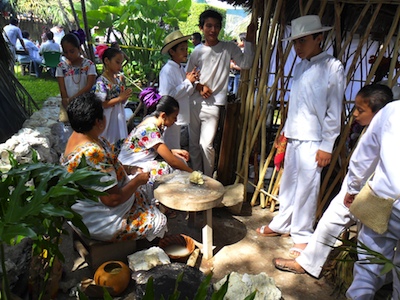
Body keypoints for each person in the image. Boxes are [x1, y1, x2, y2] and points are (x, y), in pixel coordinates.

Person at [271, 84, 393, 277]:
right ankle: (309, 263)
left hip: (371, 193)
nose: (354, 114)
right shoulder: (385, 120)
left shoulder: (384, 122)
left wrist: (352, 189)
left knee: (368, 244)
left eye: (360, 110)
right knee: (333, 223)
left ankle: (366, 284)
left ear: (378, 112)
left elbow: (362, 161)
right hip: (371, 192)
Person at [256, 15, 345, 258]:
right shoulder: (301, 66)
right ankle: (282, 223)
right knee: (288, 184)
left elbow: (334, 110)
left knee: (307, 187)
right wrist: (284, 131)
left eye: (302, 41)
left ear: (319, 38)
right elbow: (296, 104)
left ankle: (303, 234)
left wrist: (327, 145)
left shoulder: (332, 67)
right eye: (295, 42)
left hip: (314, 139)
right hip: (294, 136)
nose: (297, 47)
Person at [61, 93, 167, 242]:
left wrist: (130, 169)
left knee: (144, 195)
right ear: (99, 122)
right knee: (158, 220)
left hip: (87, 208)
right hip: (98, 219)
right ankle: (144, 250)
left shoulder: (78, 136)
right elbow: (112, 199)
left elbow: (109, 166)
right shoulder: (92, 154)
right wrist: (137, 180)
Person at [186, 9, 256, 176]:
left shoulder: (228, 47)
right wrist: (199, 86)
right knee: (194, 144)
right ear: (201, 27)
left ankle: (208, 179)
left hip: (214, 104)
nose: (213, 30)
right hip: (194, 102)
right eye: (209, 26)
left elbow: (246, 63)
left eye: (216, 26)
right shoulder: (197, 52)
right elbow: (188, 77)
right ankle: (196, 177)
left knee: (206, 145)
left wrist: (250, 39)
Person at [342, 99, 400, 299]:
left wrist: (353, 187)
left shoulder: (393, 110)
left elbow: (365, 154)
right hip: (383, 202)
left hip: (383, 199)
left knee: (368, 266)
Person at [118, 95, 193, 182]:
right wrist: (193, 173)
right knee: (164, 168)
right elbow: (172, 161)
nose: (175, 120)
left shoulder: (151, 121)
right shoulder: (150, 130)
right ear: (164, 116)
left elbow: (151, 149)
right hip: (130, 166)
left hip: (130, 162)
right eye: (174, 117)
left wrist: (172, 152)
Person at [159, 30, 198, 150]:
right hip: (172, 118)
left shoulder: (179, 68)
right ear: (172, 51)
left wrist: (192, 81)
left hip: (180, 117)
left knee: (176, 148)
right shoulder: (168, 70)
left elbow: (186, 92)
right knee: (171, 149)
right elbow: (168, 96)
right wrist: (187, 82)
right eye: (181, 49)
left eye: (186, 49)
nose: (185, 52)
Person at [56, 33, 97, 146]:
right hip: (69, 104)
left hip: (85, 104)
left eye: (72, 51)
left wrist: (73, 99)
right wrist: (66, 100)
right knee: (70, 132)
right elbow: (62, 87)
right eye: (66, 52)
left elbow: (89, 86)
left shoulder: (89, 65)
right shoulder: (61, 67)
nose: (69, 54)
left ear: (79, 48)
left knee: (86, 132)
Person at [94, 47, 132, 144]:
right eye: (117, 62)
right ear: (107, 61)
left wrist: (125, 96)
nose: (120, 66)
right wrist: (119, 98)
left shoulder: (118, 81)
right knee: (108, 142)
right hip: (107, 119)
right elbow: (100, 104)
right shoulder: (101, 82)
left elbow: (122, 101)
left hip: (118, 117)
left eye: (121, 63)